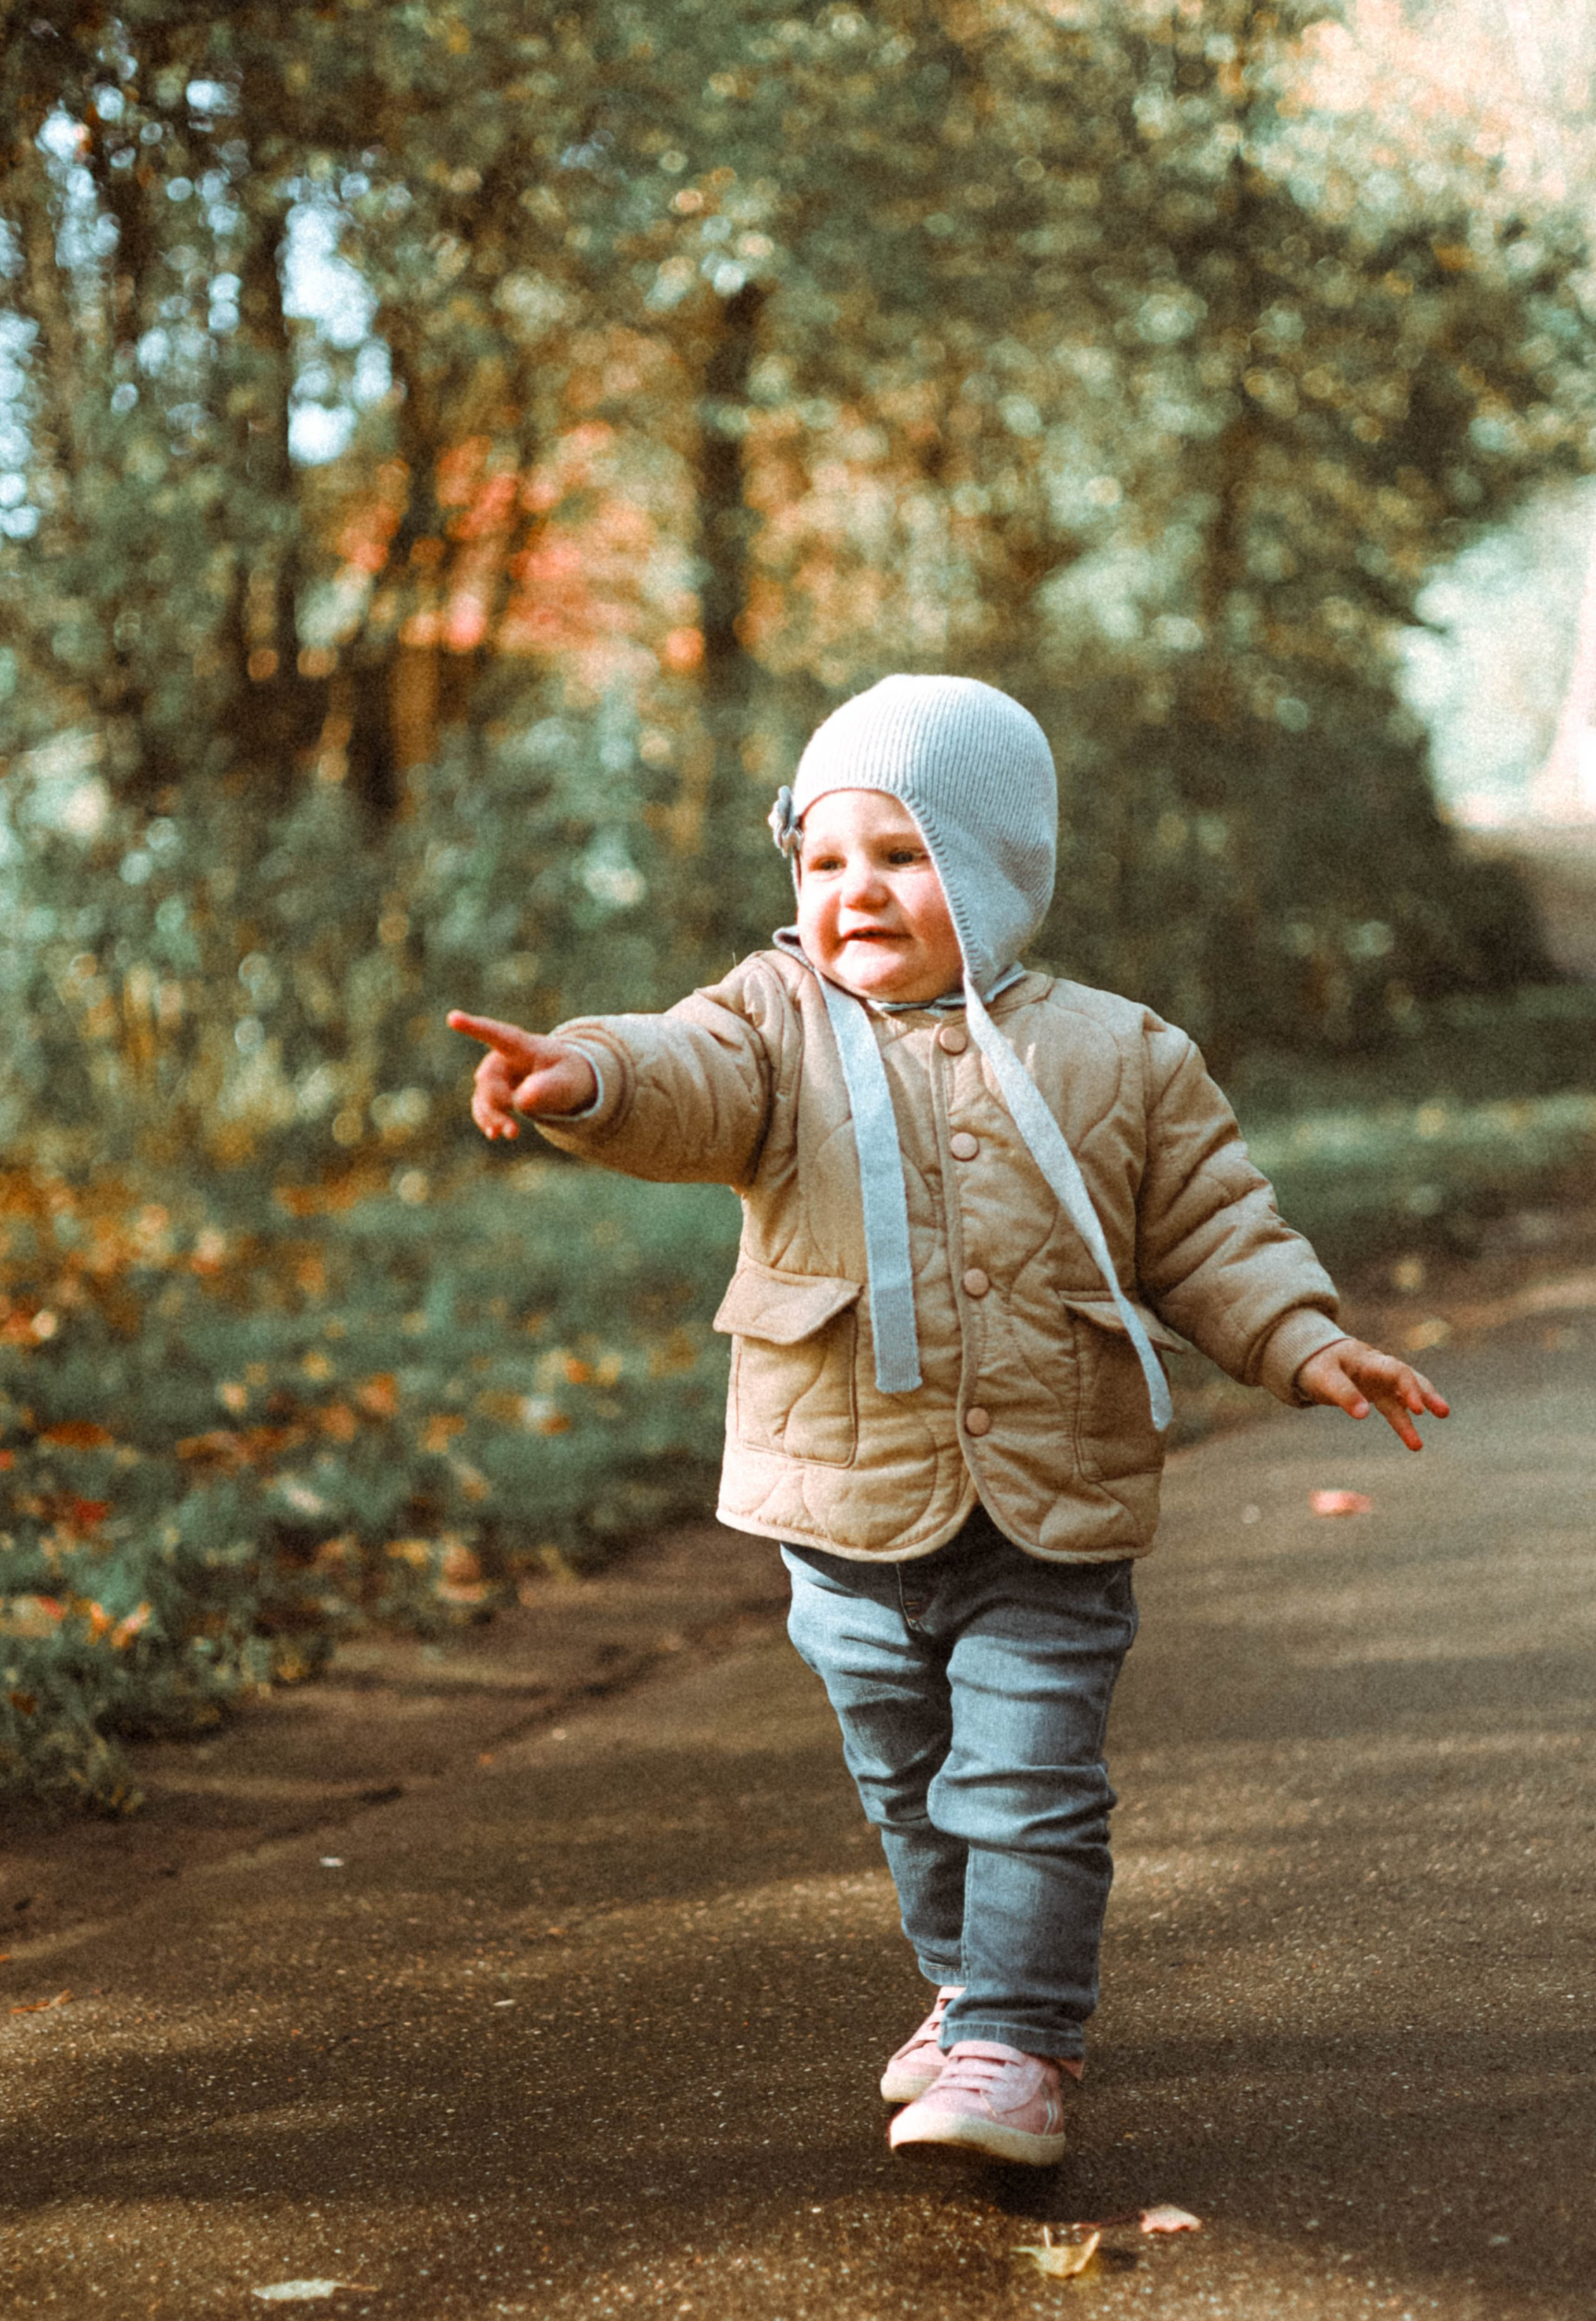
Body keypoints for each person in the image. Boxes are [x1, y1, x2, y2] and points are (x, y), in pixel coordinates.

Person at [449, 675, 1446, 2171]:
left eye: (900, 856)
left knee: (1026, 1784)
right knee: (910, 1789)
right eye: (825, 858)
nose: (853, 890)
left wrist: (1298, 1342)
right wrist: (582, 1074)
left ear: (988, 868)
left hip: (1049, 1502)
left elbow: (1211, 1231)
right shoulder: (773, 1022)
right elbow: (683, 1076)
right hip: (842, 1515)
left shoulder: (1118, 1053)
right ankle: (964, 1990)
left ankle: (1020, 2043)